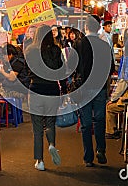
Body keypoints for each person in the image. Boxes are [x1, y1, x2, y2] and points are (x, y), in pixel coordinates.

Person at [72, 15, 114, 167]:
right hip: (100, 88)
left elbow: (71, 67)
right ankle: (101, 149)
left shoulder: (78, 44)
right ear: (99, 28)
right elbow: (111, 69)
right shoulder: (104, 46)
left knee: (86, 123)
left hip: (83, 88)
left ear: (85, 27)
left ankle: (88, 157)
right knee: (100, 120)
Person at [25, 24, 64, 171]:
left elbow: (27, 70)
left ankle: (40, 161)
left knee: (37, 128)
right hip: (52, 89)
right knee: (50, 122)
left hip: (36, 89)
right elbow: (61, 70)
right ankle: (52, 145)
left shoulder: (30, 50)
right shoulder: (56, 50)